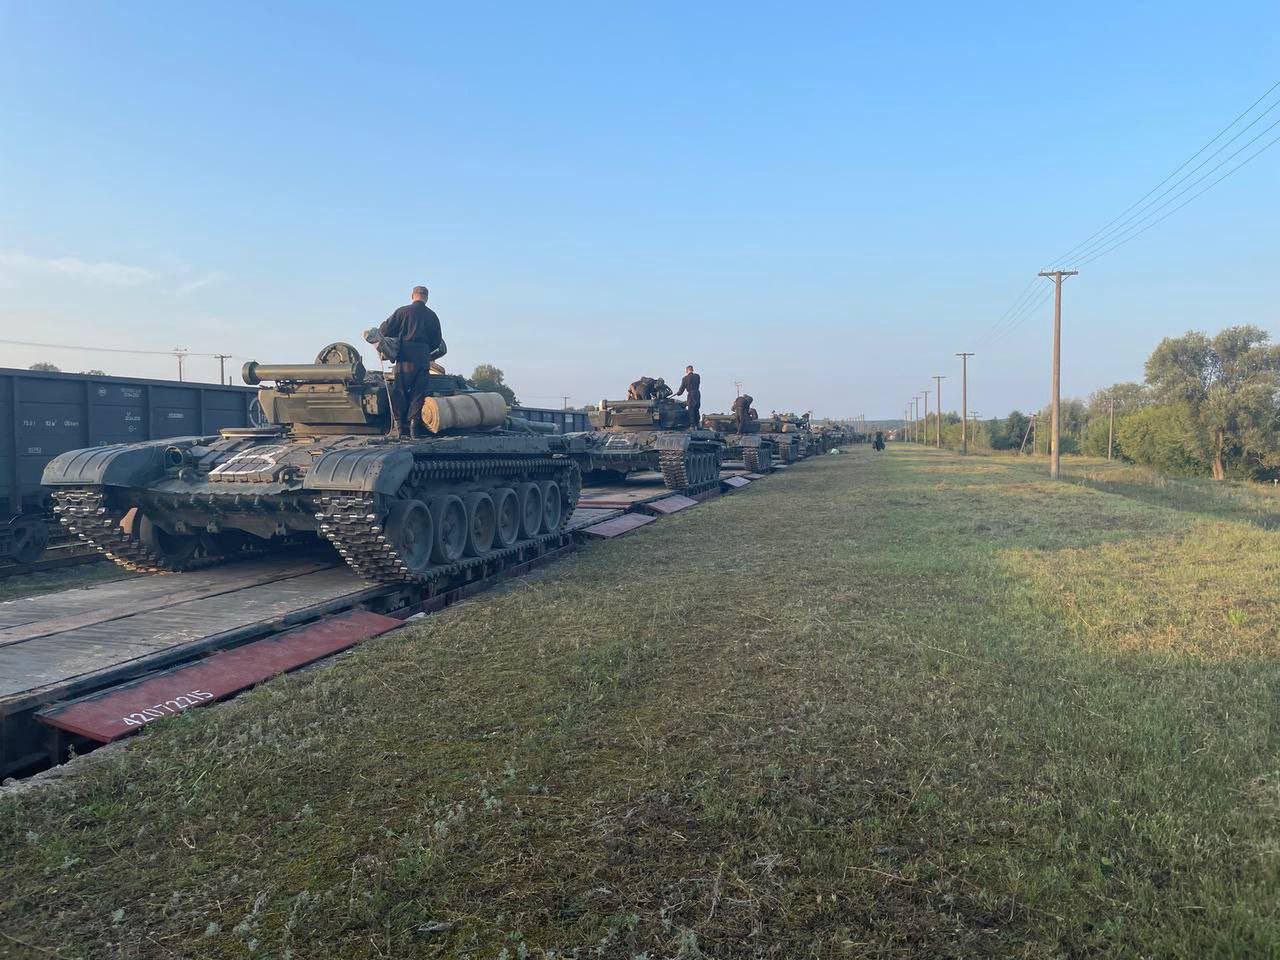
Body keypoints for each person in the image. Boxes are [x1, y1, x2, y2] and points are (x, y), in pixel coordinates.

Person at [379, 285, 443, 438]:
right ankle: (414, 425)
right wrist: (425, 349)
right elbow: (437, 341)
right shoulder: (432, 316)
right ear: (426, 298)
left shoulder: (403, 311)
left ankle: (400, 427)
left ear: (412, 296)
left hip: (405, 354)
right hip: (423, 355)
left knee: (400, 389)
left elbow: (384, 330)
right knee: (418, 391)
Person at [675, 365, 701, 429]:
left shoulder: (685, 378)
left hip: (691, 394)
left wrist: (678, 393)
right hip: (697, 393)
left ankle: (692, 425)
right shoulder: (697, 376)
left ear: (687, 370)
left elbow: (682, 389)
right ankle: (697, 424)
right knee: (696, 409)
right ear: (692, 370)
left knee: (691, 409)